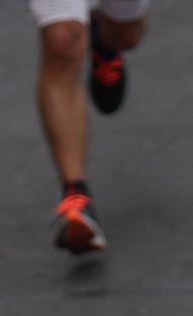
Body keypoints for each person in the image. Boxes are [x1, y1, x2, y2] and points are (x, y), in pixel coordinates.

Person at [37, 0, 155, 252]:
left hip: (118, 32)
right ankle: (76, 196)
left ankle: (105, 45)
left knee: (125, 35)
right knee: (62, 42)